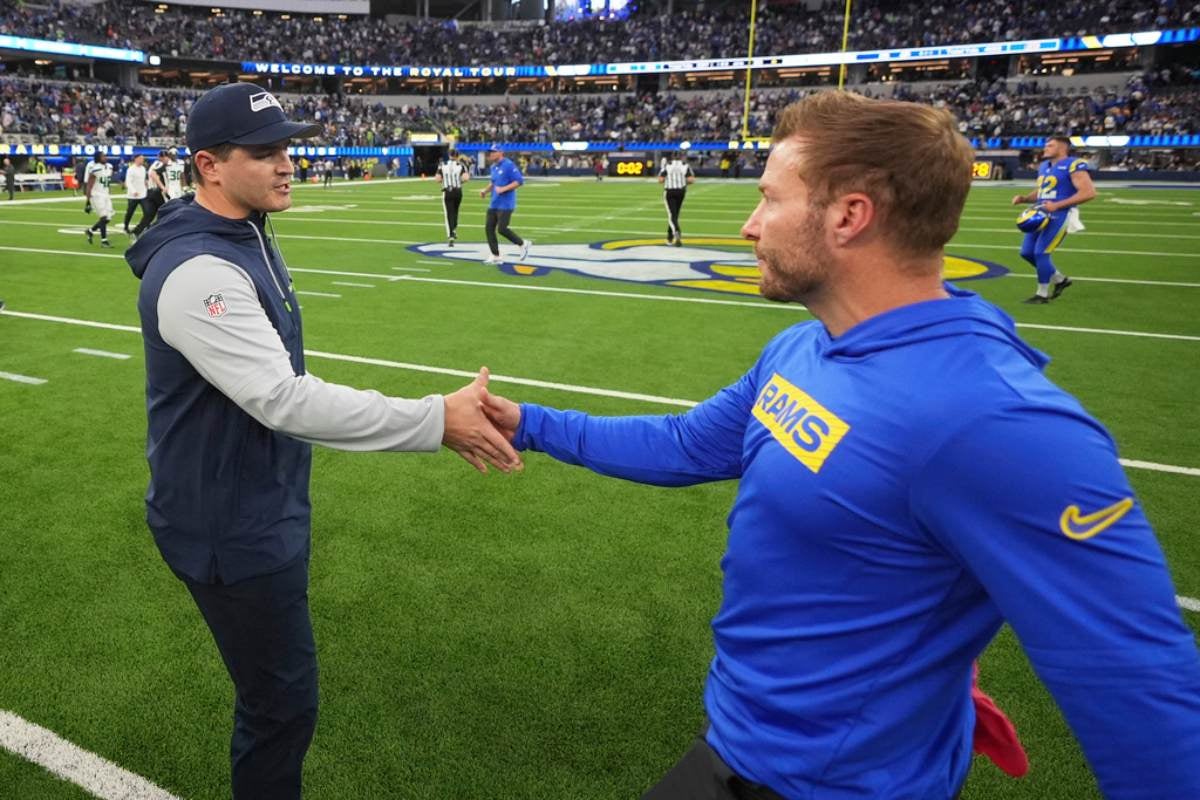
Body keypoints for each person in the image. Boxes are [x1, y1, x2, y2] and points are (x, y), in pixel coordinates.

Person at [480, 92, 1200, 800]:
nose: (748, 227)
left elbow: (1143, 694)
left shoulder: (997, 422)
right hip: (738, 745)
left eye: (769, 199)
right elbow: (684, 444)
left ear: (850, 215)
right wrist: (530, 423)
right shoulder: (805, 346)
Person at [124, 82, 521, 800]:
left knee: (279, 695)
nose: (287, 164)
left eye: (288, 148)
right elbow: (281, 398)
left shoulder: (242, 236)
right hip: (228, 526)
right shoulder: (198, 270)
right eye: (265, 152)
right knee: (281, 705)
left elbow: (277, 377)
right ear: (209, 166)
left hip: (255, 504)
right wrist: (436, 418)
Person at [1010, 135, 1096, 304]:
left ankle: (1042, 294)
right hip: (1041, 213)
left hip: (1061, 213)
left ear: (1062, 148)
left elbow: (1089, 192)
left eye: (1050, 145)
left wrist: (1058, 205)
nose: (1045, 148)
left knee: (1041, 252)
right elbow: (1043, 191)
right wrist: (1025, 199)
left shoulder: (1073, 164)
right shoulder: (1044, 166)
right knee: (1026, 252)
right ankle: (1060, 280)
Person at [480, 145, 531, 265]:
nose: (491, 154)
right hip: (494, 202)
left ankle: (522, 243)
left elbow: (519, 181)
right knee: (489, 228)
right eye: (490, 152)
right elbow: (493, 183)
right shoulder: (493, 167)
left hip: (506, 204)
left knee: (502, 229)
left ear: (501, 153)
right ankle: (495, 255)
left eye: (493, 152)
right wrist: (485, 191)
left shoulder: (508, 165)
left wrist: (504, 189)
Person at [659, 153, 695, 247]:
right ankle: (669, 237)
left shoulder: (667, 165)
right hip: (681, 192)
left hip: (670, 191)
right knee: (675, 215)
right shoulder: (685, 165)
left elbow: (661, 180)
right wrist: (682, 182)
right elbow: (691, 180)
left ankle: (676, 232)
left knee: (672, 215)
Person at [133, 150, 169, 237]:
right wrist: (162, 187)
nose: (167, 159)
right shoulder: (159, 164)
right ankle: (162, 233)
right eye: (165, 157)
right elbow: (153, 174)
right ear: (160, 157)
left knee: (150, 215)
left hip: (152, 192)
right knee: (167, 212)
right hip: (157, 192)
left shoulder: (155, 164)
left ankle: (137, 231)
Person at [83, 150, 115, 248]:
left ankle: (90, 231)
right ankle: (104, 241)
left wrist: (109, 191)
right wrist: (88, 200)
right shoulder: (95, 169)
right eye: (103, 156)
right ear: (98, 158)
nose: (105, 157)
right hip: (96, 195)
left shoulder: (110, 167)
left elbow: (107, 181)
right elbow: (89, 184)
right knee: (103, 217)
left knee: (108, 218)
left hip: (105, 194)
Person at [436, 151, 468, 246]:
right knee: (456, 211)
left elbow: (437, 179)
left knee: (449, 213)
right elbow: (466, 178)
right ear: (457, 156)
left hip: (447, 191)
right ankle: (454, 228)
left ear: (449, 156)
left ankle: (451, 234)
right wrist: (458, 181)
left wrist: (445, 180)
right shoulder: (461, 165)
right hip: (458, 191)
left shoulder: (442, 165)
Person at [122, 153, 149, 239]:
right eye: (141, 158)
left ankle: (144, 226)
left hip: (143, 194)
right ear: (136, 159)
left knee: (147, 212)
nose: (142, 160)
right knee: (130, 212)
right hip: (133, 195)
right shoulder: (131, 169)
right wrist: (133, 191)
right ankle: (125, 226)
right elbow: (128, 182)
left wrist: (146, 187)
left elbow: (143, 180)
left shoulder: (143, 169)